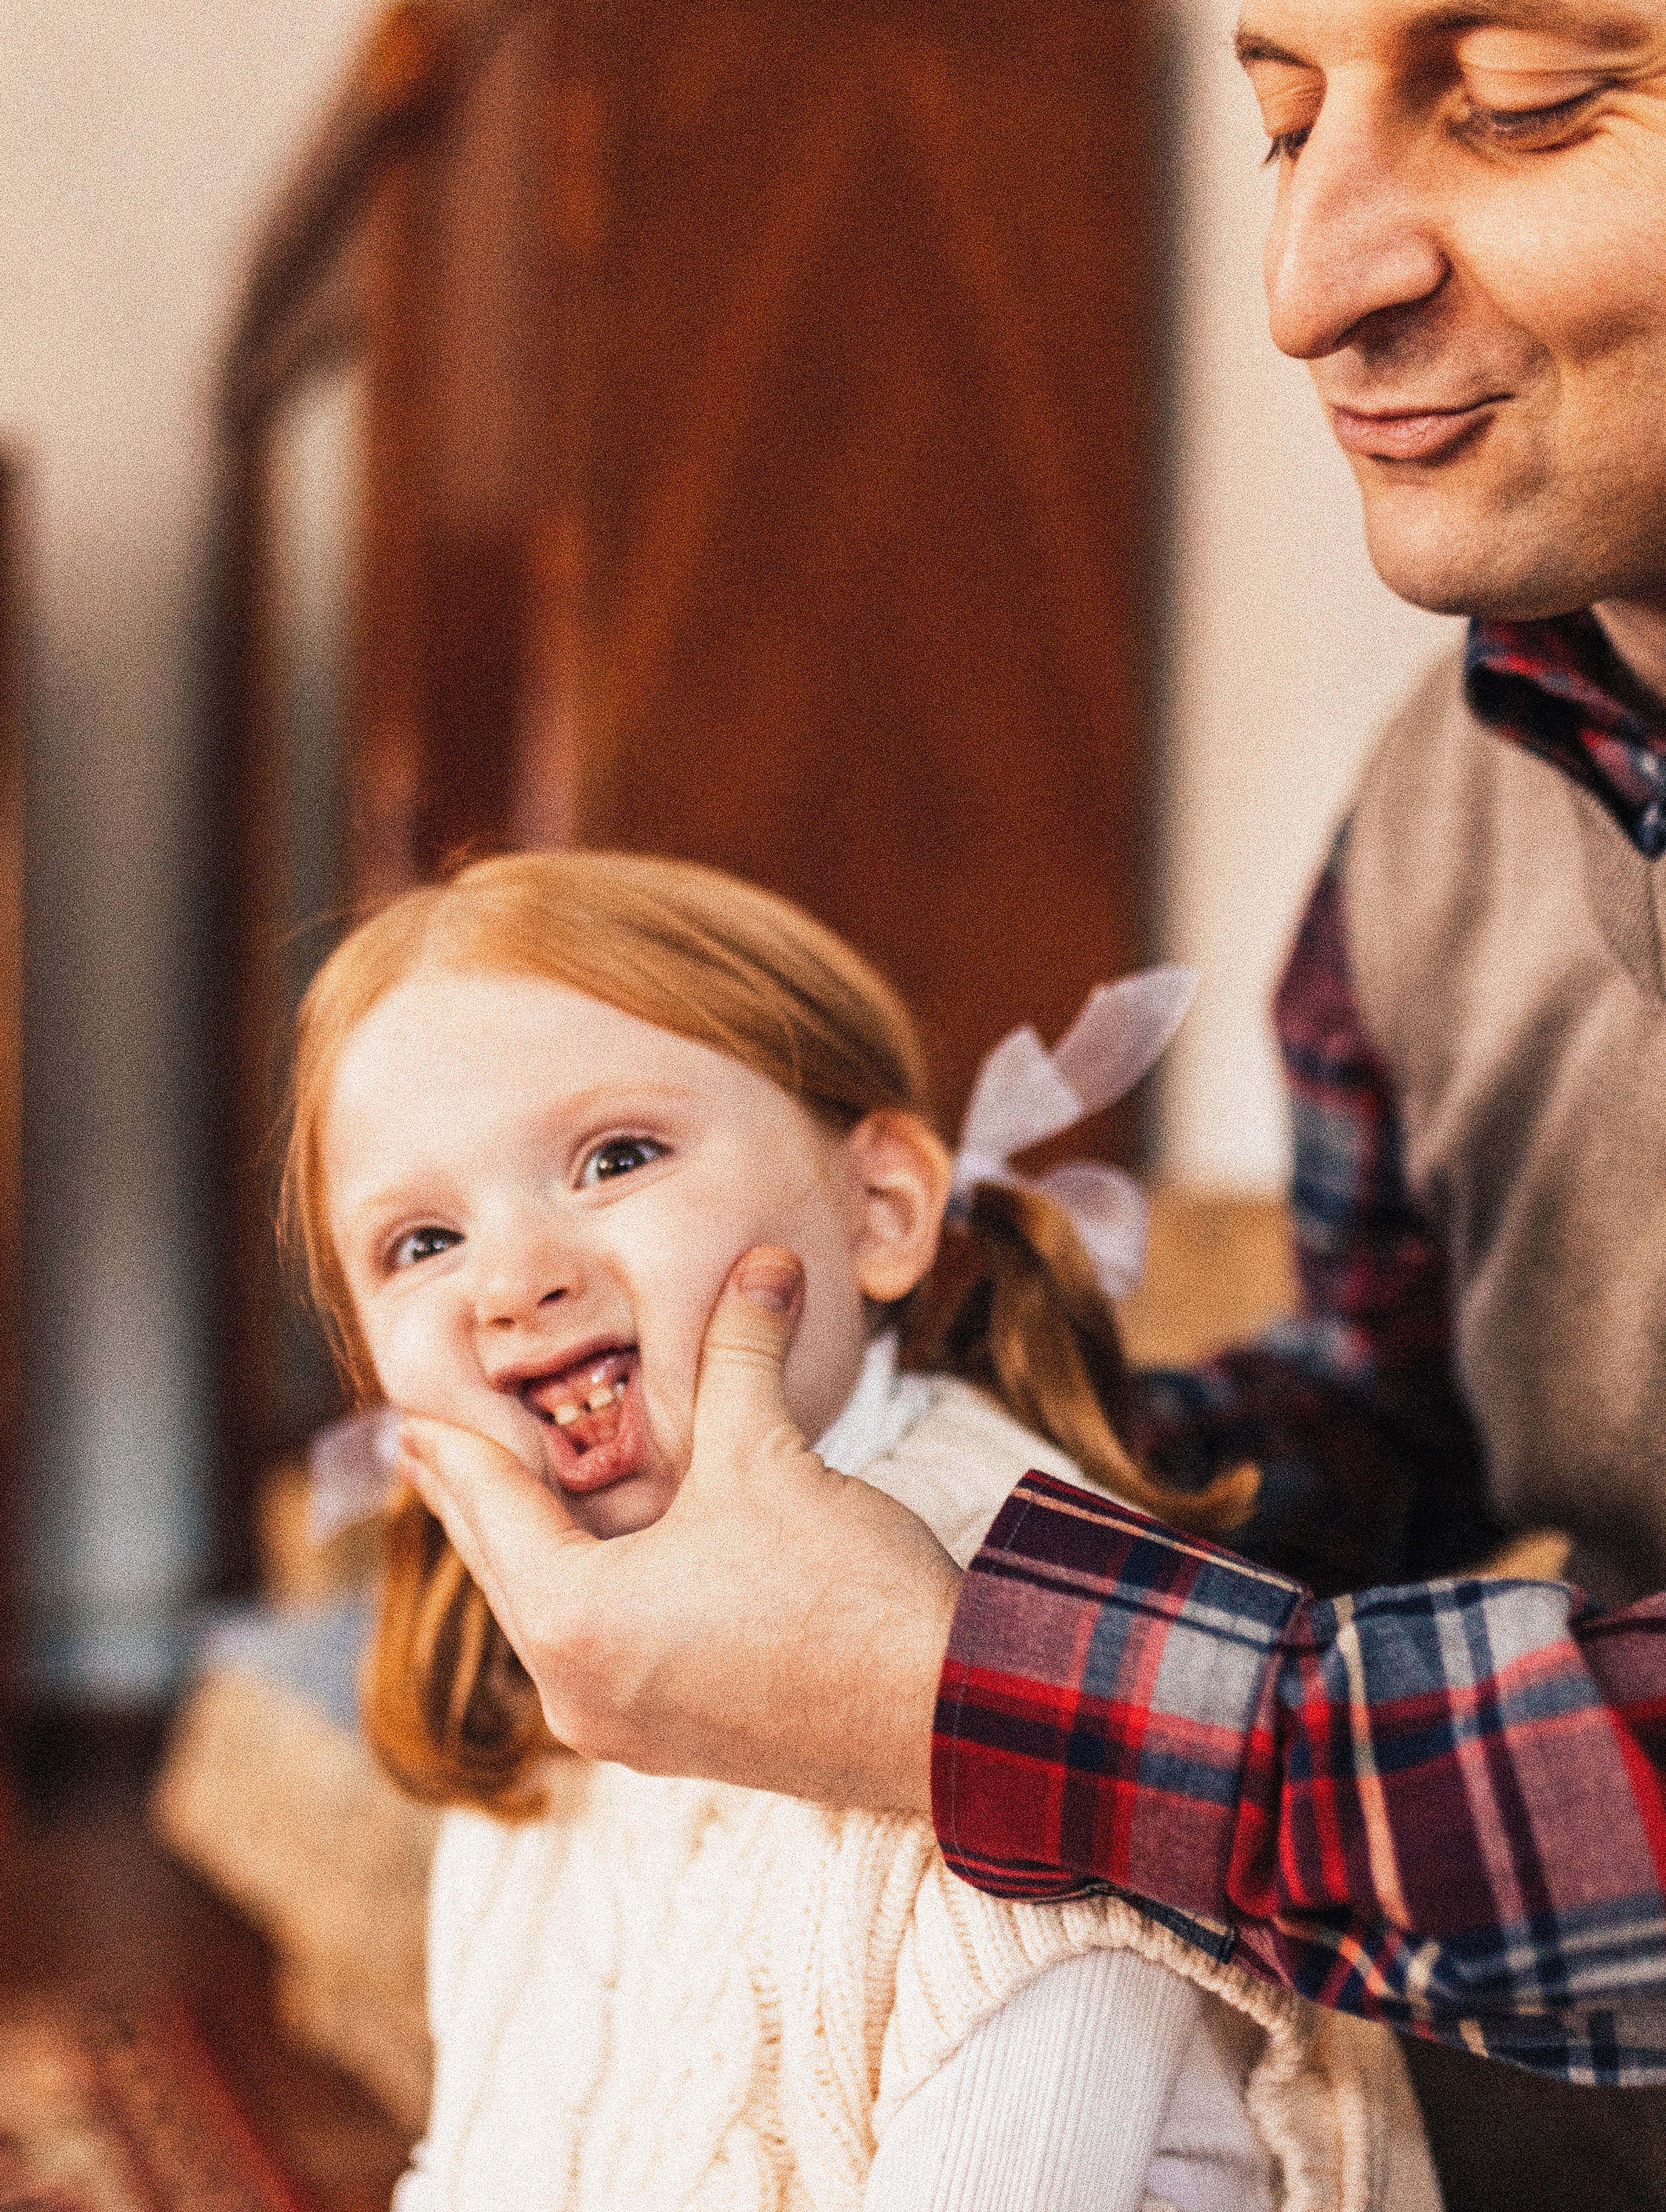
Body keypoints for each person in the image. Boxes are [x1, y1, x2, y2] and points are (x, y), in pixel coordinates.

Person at [396, 0, 1666, 2086]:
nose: (1306, 291)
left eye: (1525, 105)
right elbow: (1390, 1406)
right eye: (1285, 126)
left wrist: (956, 1682)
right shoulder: (1433, 811)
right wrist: (933, 1443)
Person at [28, 850, 1458, 2212]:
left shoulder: (1040, 1669)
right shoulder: (567, 1629)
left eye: (615, 1157)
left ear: (881, 1209)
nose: (514, 1279)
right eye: (420, 1242)